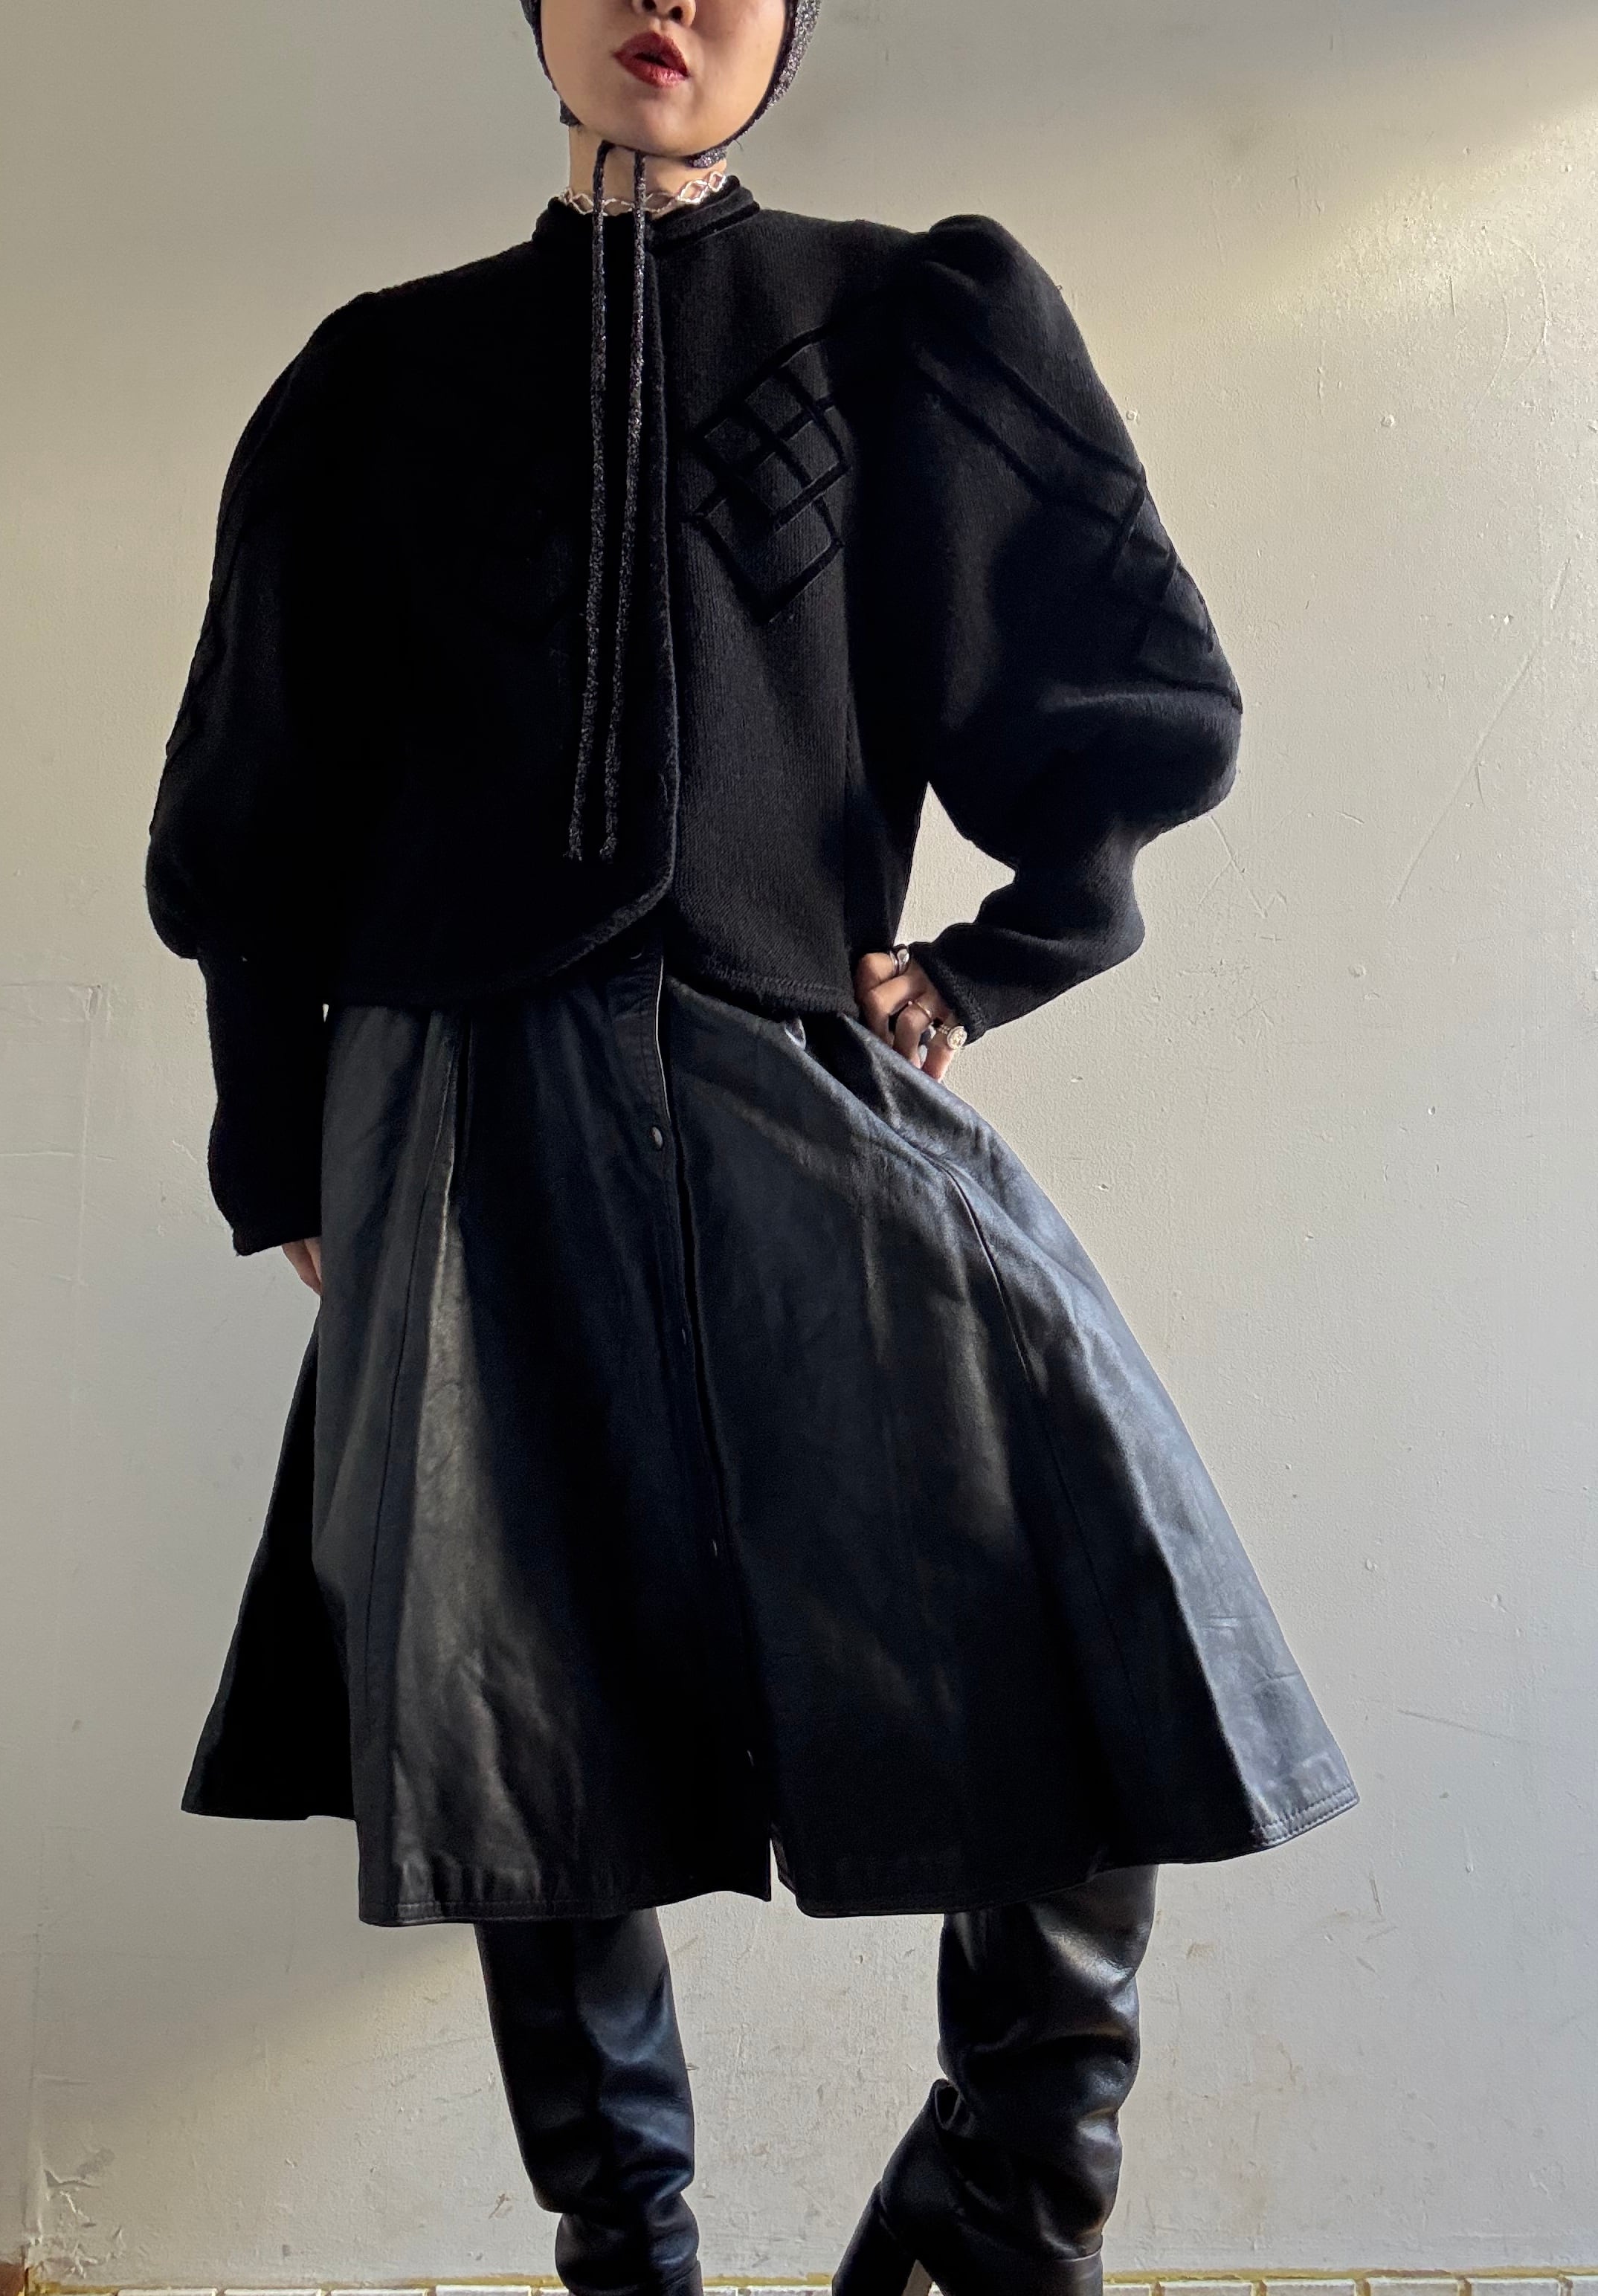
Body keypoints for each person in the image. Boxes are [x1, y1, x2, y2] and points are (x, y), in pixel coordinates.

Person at [144, 4, 1359, 2293]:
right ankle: (630, 2254)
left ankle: (998, 2198)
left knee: (1085, 1571)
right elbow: (255, 806)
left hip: (783, 1034)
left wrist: (1004, 955)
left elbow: (1123, 685)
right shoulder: (375, 375)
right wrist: (277, 1141)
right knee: (507, 1684)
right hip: (447, 1082)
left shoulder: (907, 320)